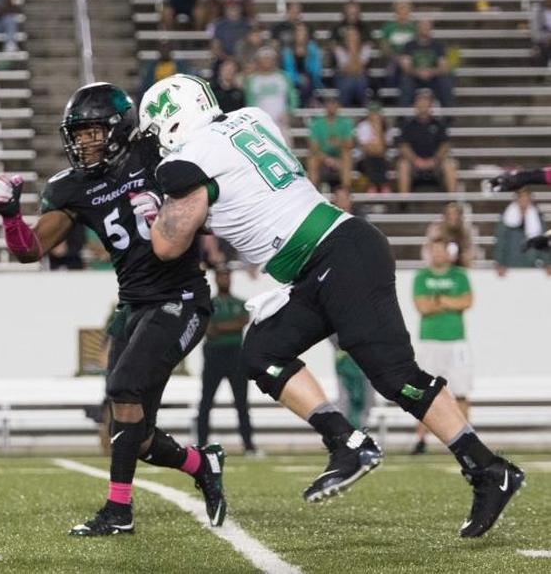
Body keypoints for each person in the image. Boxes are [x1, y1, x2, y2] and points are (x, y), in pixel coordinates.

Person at [139, 75, 523, 537]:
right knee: (263, 351)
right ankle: (346, 441)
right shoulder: (252, 119)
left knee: (396, 377)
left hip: (336, 255)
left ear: (169, 123)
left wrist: (151, 197)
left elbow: (167, 243)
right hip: (327, 257)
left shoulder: (188, 160)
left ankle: (487, 469)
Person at [0, 81, 226, 536]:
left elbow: (208, 193)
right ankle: (202, 464)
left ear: (121, 128)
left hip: (181, 298)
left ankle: (119, 511)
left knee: (122, 388)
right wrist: (10, 217)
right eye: (78, 134)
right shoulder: (72, 187)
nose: (84, 142)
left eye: (94, 132)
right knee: (137, 435)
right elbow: (30, 250)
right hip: (133, 306)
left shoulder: (156, 157)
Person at [411, 239, 474, 455]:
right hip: (430, 341)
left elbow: (467, 301)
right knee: (425, 393)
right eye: (434, 250)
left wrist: (438, 301)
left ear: (448, 253)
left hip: (456, 341)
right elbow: (422, 307)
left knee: (461, 391)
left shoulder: (460, 275)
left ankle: (467, 440)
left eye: (441, 250)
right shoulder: (422, 277)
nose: (438, 255)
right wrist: (450, 302)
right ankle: (421, 440)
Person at [195, 268, 256, 455]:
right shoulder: (208, 304)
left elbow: (242, 322)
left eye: (227, 276)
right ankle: (201, 444)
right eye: (221, 276)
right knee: (206, 402)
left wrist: (220, 326)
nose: (225, 279)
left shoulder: (240, 303)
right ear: (215, 279)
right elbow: (208, 328)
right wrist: (229, 326)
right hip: (214, 355)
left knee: (241, 403)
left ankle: (248, 446)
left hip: (235, 355)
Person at [397, 89, 457, 194]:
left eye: (426, 101)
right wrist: (415, 160)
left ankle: (452, 202)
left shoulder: (439, 124)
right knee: (403, 165)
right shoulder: (407, 125)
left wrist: (435, 160)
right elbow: (403, 146)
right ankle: (404, 202)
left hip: (435, 164)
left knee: (449, 164)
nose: (423, 104)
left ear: (431, 105)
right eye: (420, 101)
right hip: (414, 164)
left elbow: (444, 145)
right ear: (415, 105)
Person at [306, 91, 354, 190]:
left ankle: (346, 190)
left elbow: (349, 144)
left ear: (338, 106)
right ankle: (313, 192)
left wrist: (338, 144)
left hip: (339, 157)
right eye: (329, 103)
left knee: (346, 155)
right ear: (325, 106)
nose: (331, 106)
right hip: (322, 157)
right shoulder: (317, 124)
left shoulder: (346, 123)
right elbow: (313, 147)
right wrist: (327, 159)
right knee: (312, 159)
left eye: (334, 103)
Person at [493, 188, 549, 272]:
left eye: (527, 198)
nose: (524, 200)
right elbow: (501, 241)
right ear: (516, 199)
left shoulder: (538, 218)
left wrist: (547, 262)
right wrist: (500, 263)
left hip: (532, 264)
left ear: (531, 199)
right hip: (510, 264)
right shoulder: (506, 218)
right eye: (521, 197)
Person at [398, 20, 452, 107]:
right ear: (417, 29)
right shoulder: (409, 45)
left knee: (445, 81)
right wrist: (418, 72)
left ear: (431, 29)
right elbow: (406, 67)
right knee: (405, 82)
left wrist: (431, 72)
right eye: (422, 27)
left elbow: (443, 66)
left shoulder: (438, 45)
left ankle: (448, 116)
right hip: (414, 77)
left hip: (433, 77)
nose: (425, 30)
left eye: (427, 27)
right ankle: (403, 117)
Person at [426, 201, 478, 269]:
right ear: (445, 216)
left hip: (461, 265)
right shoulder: (436, 229)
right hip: (441, 265)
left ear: (460, 216)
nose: (453, 217)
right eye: (449, 214)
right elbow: (428, 250)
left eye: (455, 214)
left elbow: (472, 251)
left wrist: (466, 257)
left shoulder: (467, 230)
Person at [354, 102, 391, 192]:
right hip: (364, 158)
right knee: (371, 159)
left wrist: (378, 129)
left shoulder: (386, 127)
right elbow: (366, 149)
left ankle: (377, 186)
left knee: (380, 159)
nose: (374, 115)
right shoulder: (362, 126)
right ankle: (378, 185)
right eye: (372, 113)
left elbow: (382, 149)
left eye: (376, 113)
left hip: (380, 158)